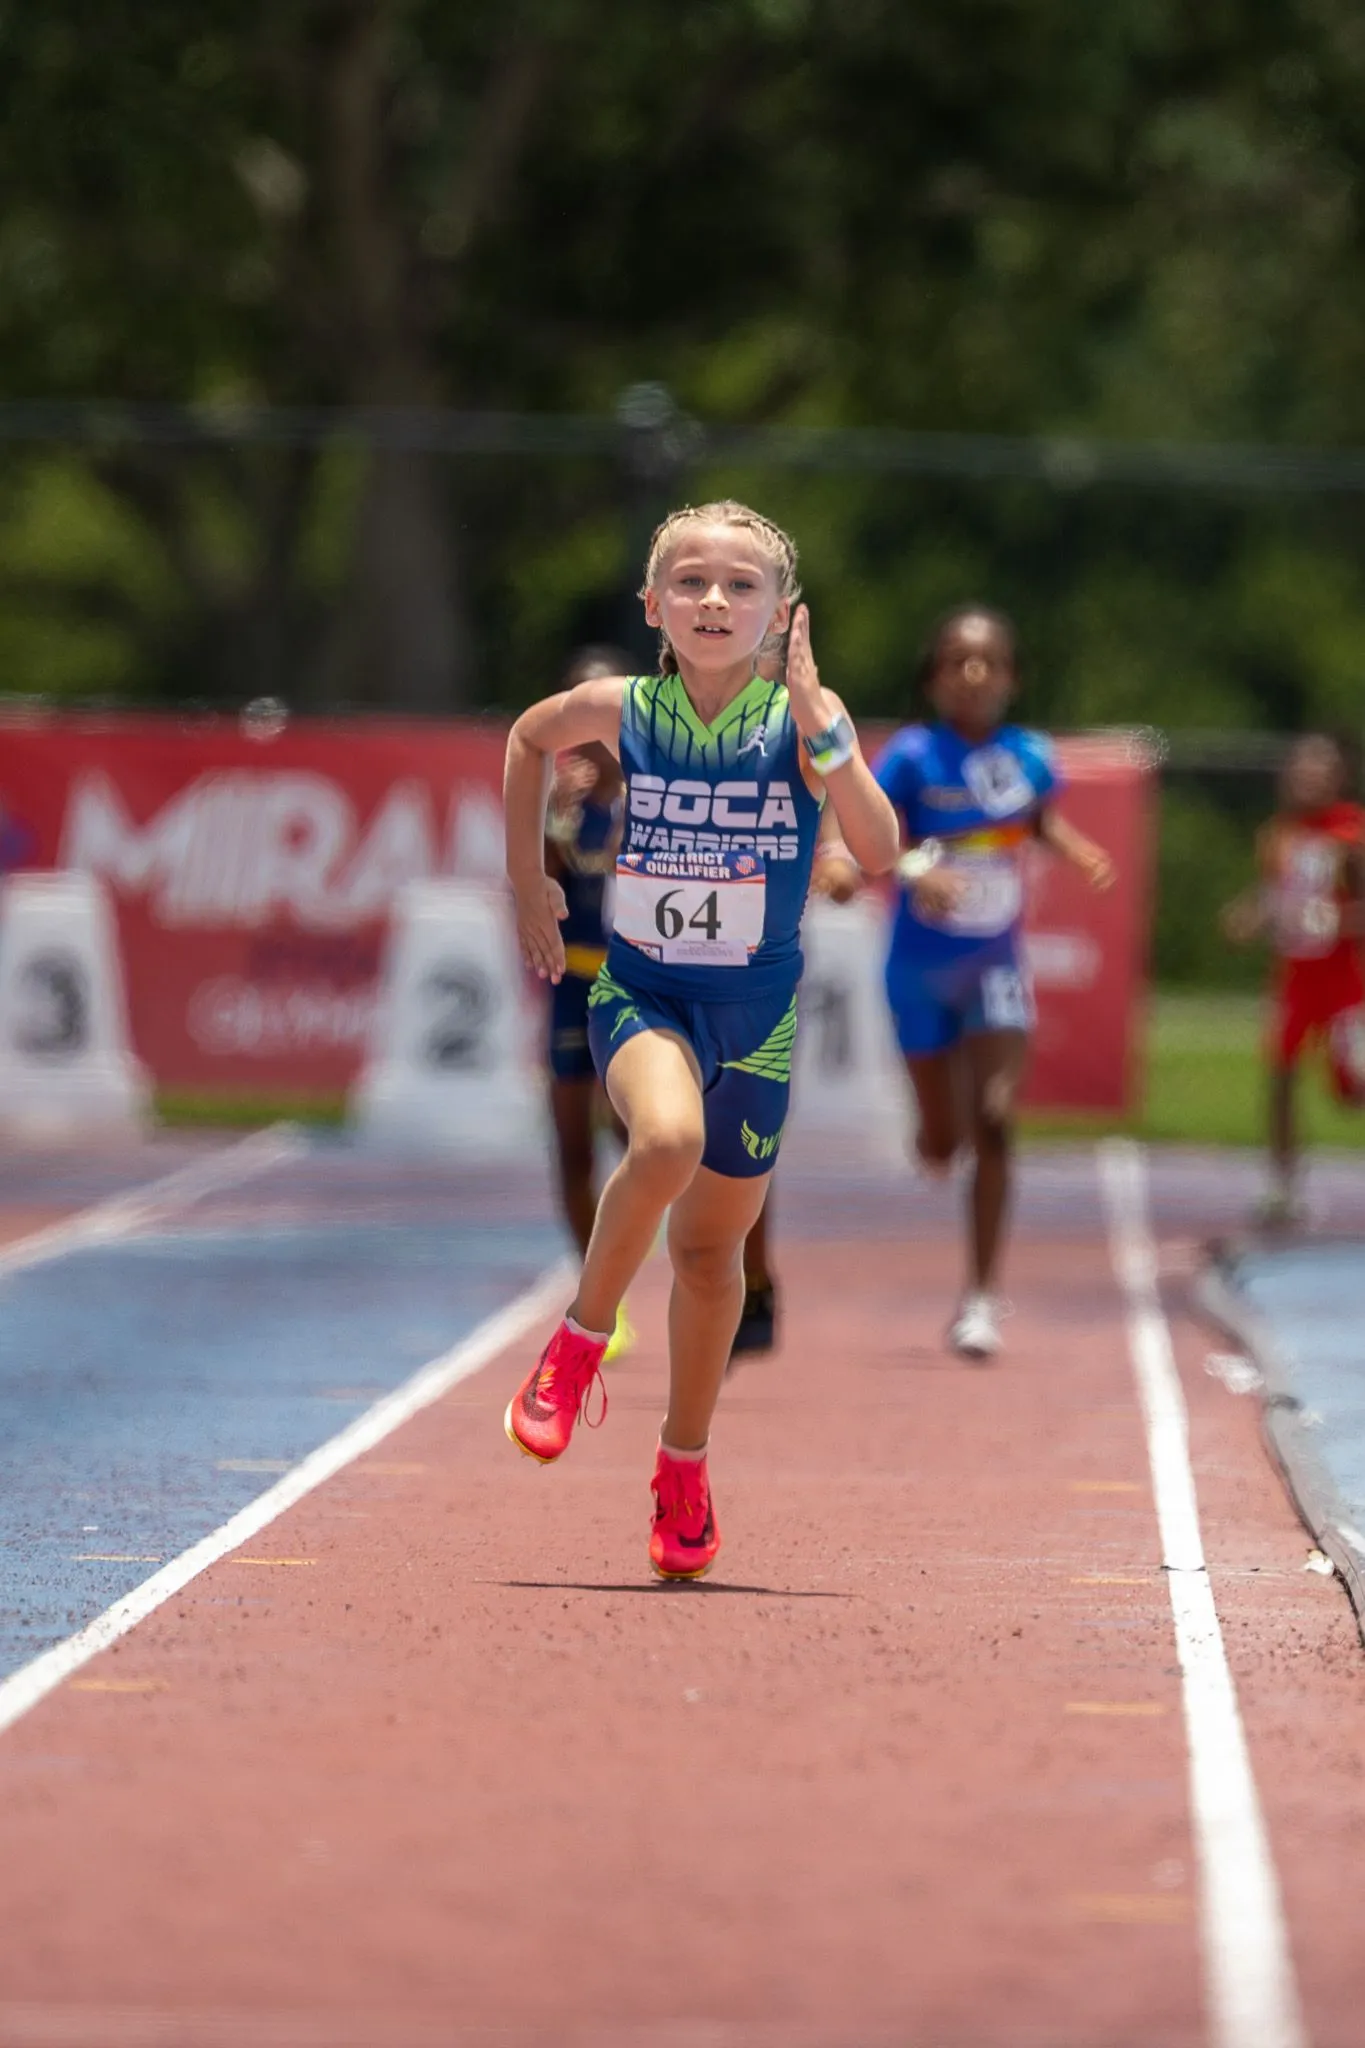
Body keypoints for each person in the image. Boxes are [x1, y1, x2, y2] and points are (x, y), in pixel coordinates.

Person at [502, 499, 900, 1577]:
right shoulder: (622, 707)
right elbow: (529, 737)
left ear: (781, 612)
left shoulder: (806, 724)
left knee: (712, 1257)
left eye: (738, 585)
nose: (712, 600)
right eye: (689, 582)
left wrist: (828, 735)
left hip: (758, 1023)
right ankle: (577, 1344)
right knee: (663, 1141)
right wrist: (527, 876)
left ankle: (683, 1468)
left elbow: (878, 846)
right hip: (642, 995)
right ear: (653, 605)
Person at [853, 606, 1114, 1360]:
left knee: (996, 1120)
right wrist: (912, 871)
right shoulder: (909, 757)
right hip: (916, 972)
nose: (973, 675)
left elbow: (1033, 820)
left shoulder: (1029, 755)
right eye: (957, 662)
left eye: (988, 662)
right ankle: (937, 1133)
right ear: (933, 678)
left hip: (994, 966)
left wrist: (1075, 847)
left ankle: (978, 1297)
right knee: (942, 1144)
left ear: (1010, 676)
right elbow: (866, 838)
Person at [1221, 732, 1365, 1226]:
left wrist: (1340, 921)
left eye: (1317, 770)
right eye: (1299, 769)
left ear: (1337, 777)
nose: (1306, 779)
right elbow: (1273, 893)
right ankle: (1283, 1186)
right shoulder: (1278, 834)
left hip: (1347, 981)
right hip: (1295, 978)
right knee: (1280, 1073)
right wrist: (1247, 916)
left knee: (1355, 1088)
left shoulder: (1351, 834)